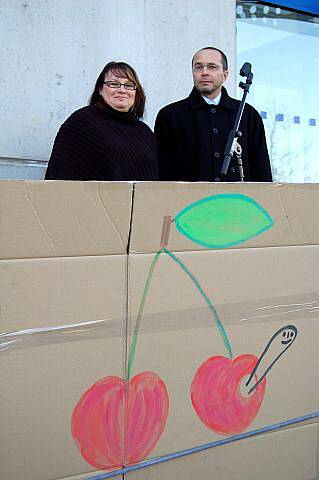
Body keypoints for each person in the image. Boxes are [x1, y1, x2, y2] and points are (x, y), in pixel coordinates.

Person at [154, 47, 272, 182]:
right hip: (188, 202)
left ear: (225, 74)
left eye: (212, 67)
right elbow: (162, 173)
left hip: (238, 202)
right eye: (198, 67)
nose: (204, 73)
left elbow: (262, 172)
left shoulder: (248, 115)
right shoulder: (170, 116)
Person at [45, 61, 158, 180]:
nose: (122, 90)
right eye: (114, 84)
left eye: (129, 85)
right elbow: (60, 175)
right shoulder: (82, 122)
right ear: (100, 89)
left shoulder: (144, 132)